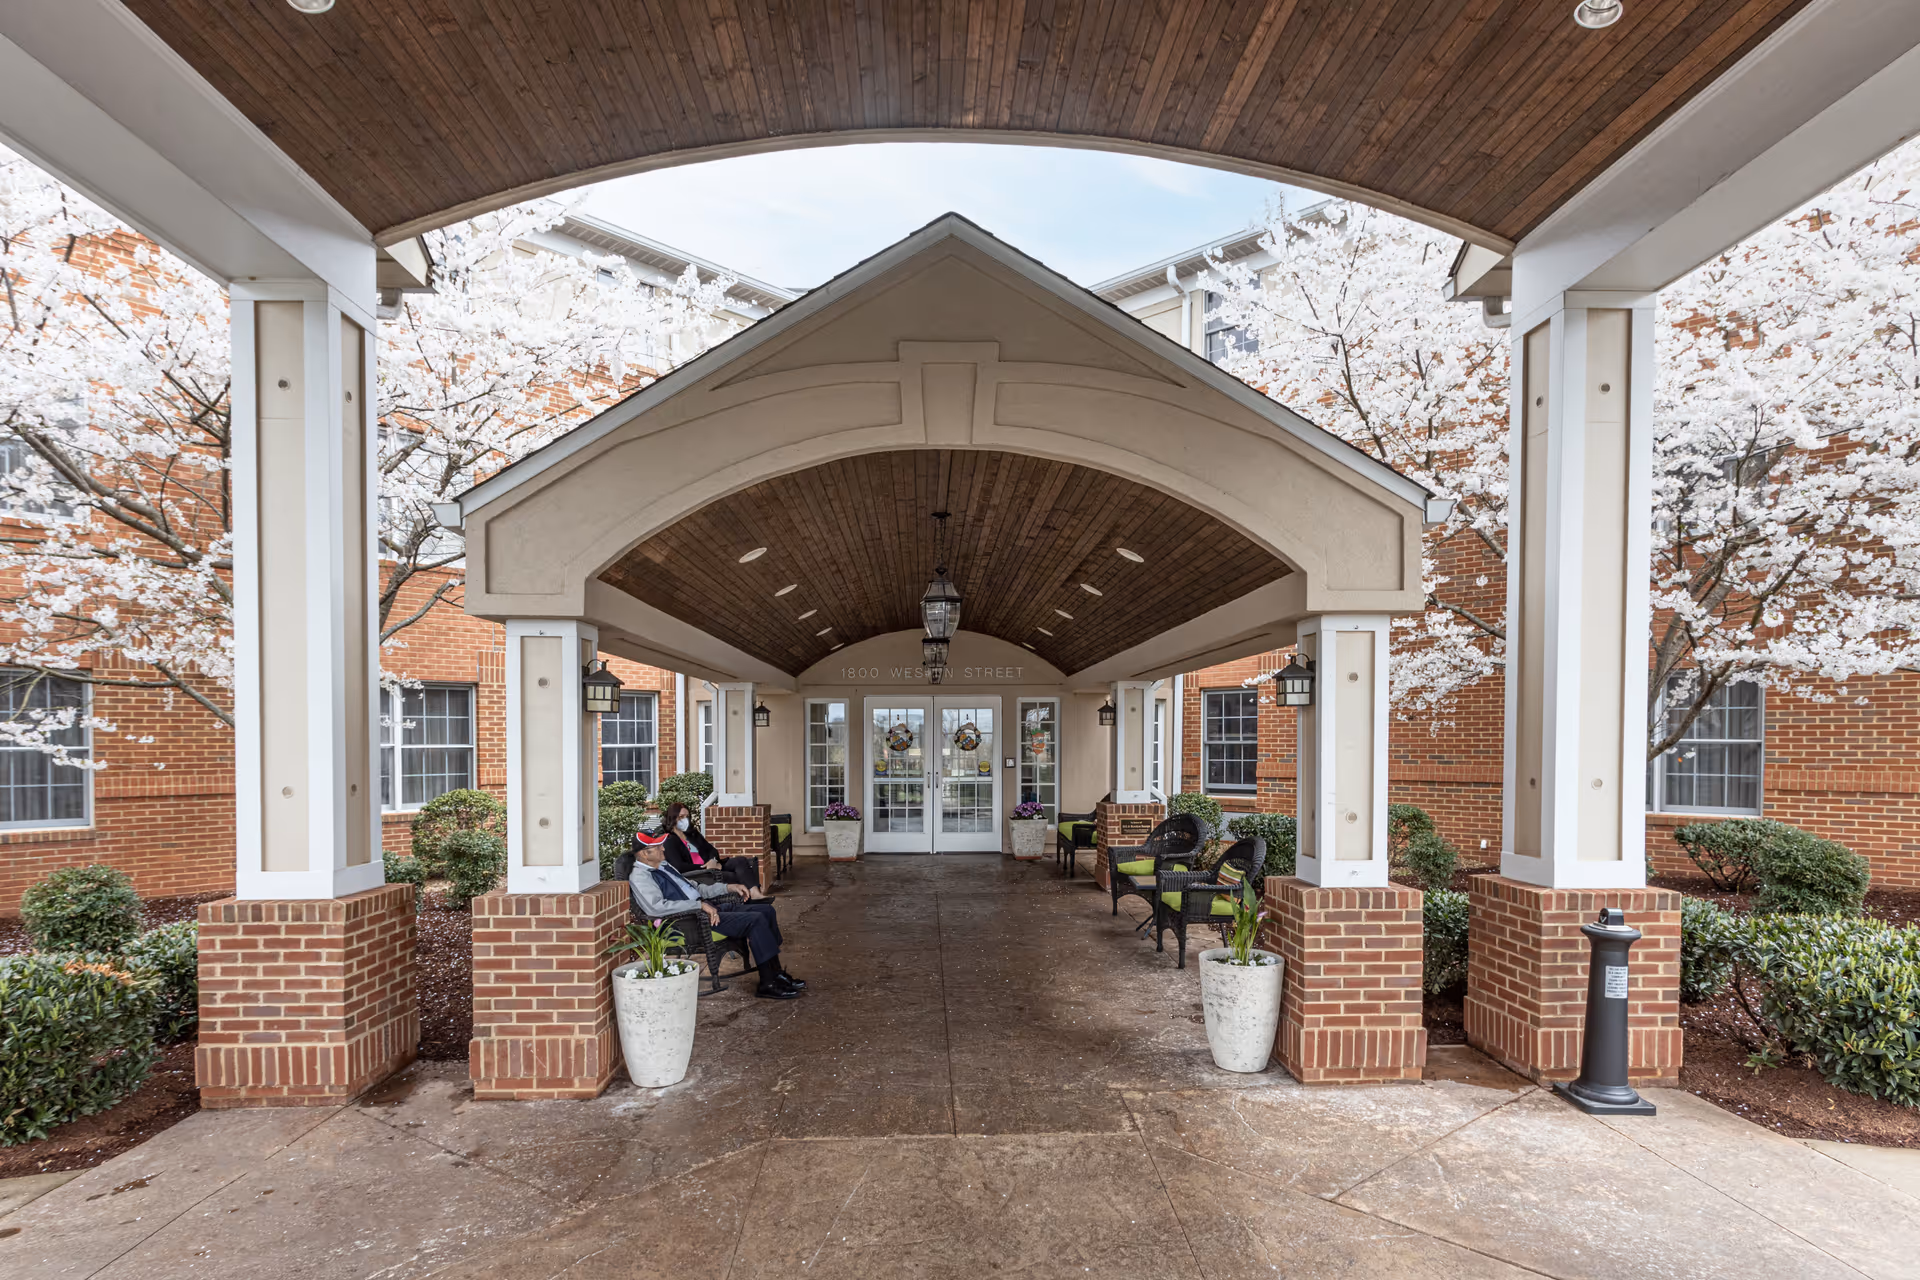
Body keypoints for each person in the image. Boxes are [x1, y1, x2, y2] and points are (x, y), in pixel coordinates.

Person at [627, 826, 805, 1000]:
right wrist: (698, 906)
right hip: (689, 922)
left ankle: (776, 972)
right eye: (657, 847)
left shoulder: (664, 866)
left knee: (766, 910)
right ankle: (768, 983)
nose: (663, 848)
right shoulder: (641, 877)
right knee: (755, 920)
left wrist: (728, 887)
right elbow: (657, 907)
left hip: (708, 909)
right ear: (643, 853)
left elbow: (696, 888)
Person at [655, 802, 771, 898]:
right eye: (681, 817)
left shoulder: (692, 834)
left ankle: (755, 893)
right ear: (672, 818)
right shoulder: (670, 840)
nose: (685, 820)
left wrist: (713, 860)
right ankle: (748, 896)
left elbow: (712, 850)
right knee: (736, 876)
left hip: (713, 867)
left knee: (740, 861)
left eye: (687, 816)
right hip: (700, 873)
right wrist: (707, 867)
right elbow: (678, 866)